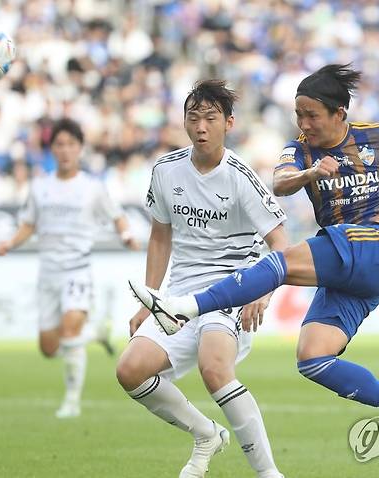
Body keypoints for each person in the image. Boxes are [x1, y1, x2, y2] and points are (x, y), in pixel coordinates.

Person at [130, 64, 379, 466]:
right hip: (347, 266)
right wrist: (311, 171)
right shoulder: (300, 148)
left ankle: (187, 306)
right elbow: (281, 183)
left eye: (311, 115)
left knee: (281, 262)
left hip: (375, 245)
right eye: (298, 115)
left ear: (340, 113)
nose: (304, 123)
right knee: (313, 358)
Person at [116, 80, 287, 478]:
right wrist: (150, 300)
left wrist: (263, 291)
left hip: (230, 289)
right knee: (129, 370)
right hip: (178, 294)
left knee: (214, 369)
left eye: (210, 118)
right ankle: (206, 434)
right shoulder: (165, 170)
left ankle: (268, 474)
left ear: (228, 123)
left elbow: (281, 244)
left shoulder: (242, 178)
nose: (201, 127)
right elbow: (160, 235)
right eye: (193, 118)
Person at [0, 118, 139, 418]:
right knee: (49, 348)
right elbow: (28, 224)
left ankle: (72, 401)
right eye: (59, 145)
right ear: (52, 149)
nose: (65, 151)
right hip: (48, 272)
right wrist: (10, 243)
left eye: (70, 145)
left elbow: (117, 216)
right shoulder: (40, 187)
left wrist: (126, 235)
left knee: (71, 329)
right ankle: (97, 333)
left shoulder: (91, 187)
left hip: (77, 269)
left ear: (80, 148)